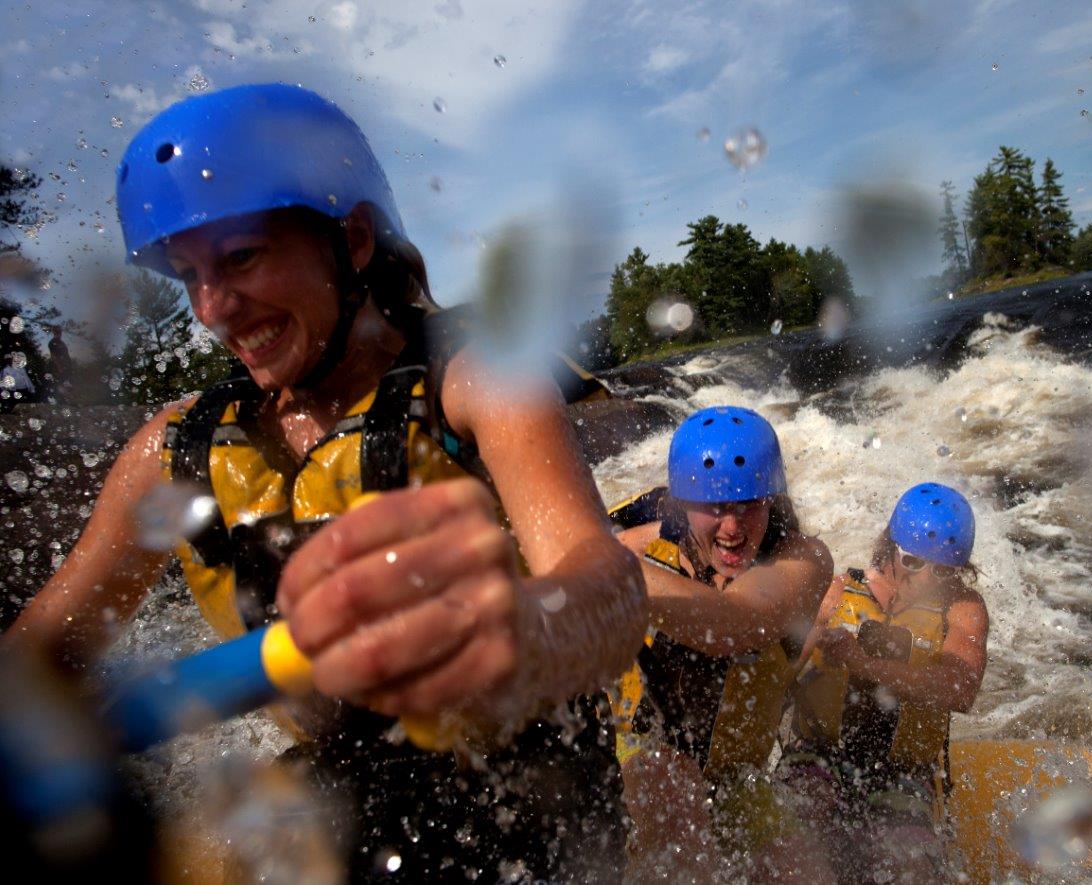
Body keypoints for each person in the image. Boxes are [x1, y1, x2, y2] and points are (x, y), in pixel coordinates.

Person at [6, 83, 646, 882]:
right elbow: (38, 651)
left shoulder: (478, 382)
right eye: (188, 275)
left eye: (240, 258)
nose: (213, 308)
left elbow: (609, 583)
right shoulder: (170, 452)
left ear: (351, 240)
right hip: (350, 797)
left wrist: (525, 631)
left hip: (536, 791)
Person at [608, 406, 833, 881]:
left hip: (737, 777)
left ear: (773, 497)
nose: (731, 528)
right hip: (641, 751)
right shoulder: (642, 548)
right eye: (713, 506)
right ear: (681, 501)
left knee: (800, 870)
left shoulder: (804, 559)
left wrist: (601, 570)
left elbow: (736, 625)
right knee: (677, 801)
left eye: (748, 503)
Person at [783, 482, 988, 883]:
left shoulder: (963, 609)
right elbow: (779, 671)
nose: (926, 578)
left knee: (905, 867)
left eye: (943, 570)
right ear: (890, 548)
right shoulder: (838, 591)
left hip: (902, 773)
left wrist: (864, 664)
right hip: (818, 755)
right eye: (913, 562)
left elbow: (960, 689)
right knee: (795, 842)